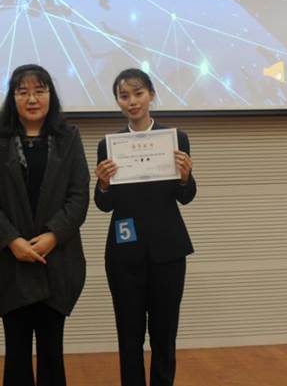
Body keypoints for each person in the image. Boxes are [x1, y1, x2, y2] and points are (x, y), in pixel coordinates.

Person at [0, 64, 90, 386]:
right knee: (16, 355)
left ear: (50, 95)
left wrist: (53, 235)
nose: (31, 99)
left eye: (39, 91)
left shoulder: (69, 138)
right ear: (12, 98)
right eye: (22, 92)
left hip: (58, 263)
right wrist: (12, 241)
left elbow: (79, 195)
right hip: (9, 265)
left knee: (52, 354)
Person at [94, 68, 197, 386]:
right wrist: (103, 184)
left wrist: (185, 177)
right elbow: (104, 204)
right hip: (124, 252)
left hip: (168, 251)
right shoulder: (108, 145)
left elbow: (186, 197)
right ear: (118, 101)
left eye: (138, 93)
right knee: (129, 336)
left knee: (165, 334)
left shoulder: (176, 139)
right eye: (124, 96)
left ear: (151, 95)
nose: (132, 101)